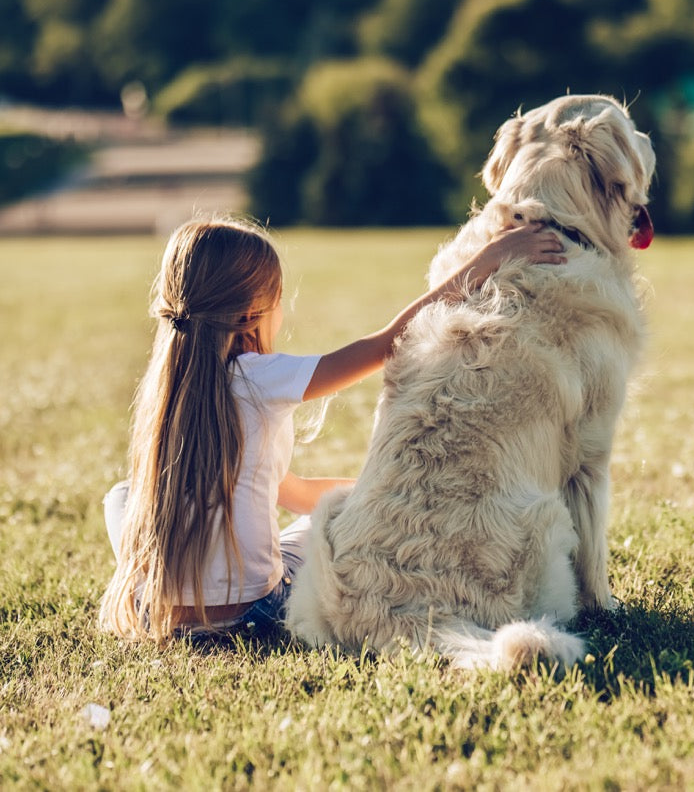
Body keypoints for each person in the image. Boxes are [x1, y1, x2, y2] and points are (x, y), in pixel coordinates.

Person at [98, 216, 565, 642]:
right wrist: (488, 259)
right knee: (323, 529)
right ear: (248, 316)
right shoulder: (257, 377)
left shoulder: (168, 393)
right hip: (252, 614)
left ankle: (162, 589)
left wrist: (373, 490)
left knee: (121, 497)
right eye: (276, 301)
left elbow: (293, 490)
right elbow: (387, 343)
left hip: (156, 612)